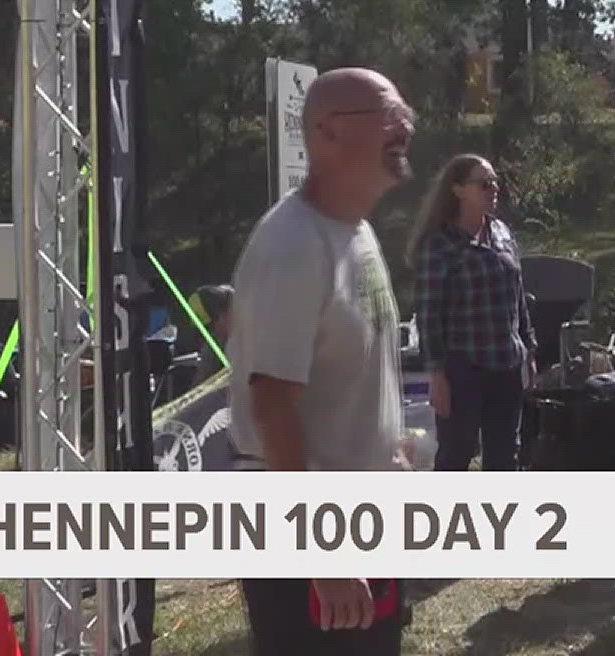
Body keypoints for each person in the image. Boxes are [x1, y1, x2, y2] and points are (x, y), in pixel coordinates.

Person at [227, 67, 415, 655]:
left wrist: (391, 456)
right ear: (327, 134)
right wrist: (321, 554)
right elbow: (272, 404)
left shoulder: (354, 232)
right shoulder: (293, 246)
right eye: (387, 115)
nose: (405, 126)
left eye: (404, 111)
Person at [409, 153, 535, 472]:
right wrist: (437, 376)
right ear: (458, 190)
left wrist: (528, 348)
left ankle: (501, 520)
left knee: (506, 456)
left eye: (495, 182)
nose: (493, 188)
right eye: (483, 183)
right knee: (456, 454)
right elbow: (429, 314)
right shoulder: (440, 244)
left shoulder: (502, 233)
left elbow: (517, 294)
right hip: (463, 369)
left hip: (506, 364)